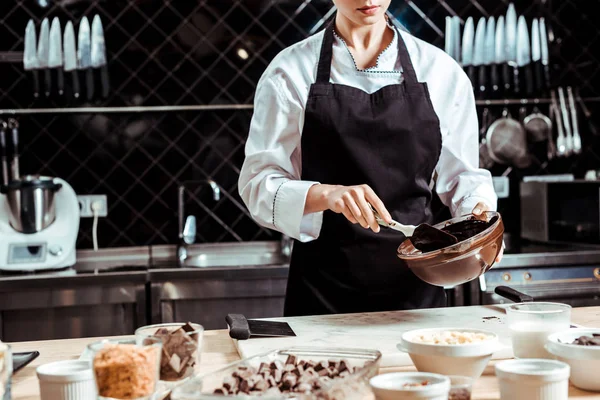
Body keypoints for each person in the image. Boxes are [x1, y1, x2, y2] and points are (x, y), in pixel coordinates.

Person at [238, 0, 502, 317]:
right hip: (323, 294)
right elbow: (258, 186)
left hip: (418, 290)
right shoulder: (290, 71)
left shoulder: (441, 70)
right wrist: (327, 194)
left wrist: (480, 219)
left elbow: (463, 177)